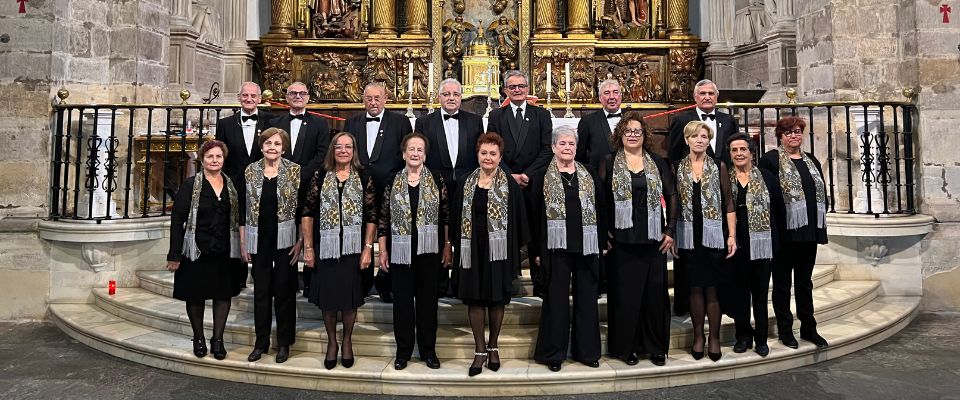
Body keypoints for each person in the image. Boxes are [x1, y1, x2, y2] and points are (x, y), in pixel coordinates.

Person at [599, 112, 676, 367]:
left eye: (637, 131)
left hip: (652, 238)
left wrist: (670, 230)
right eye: (628, 131)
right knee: (625, 297)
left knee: (654, 296)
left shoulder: (656, 161)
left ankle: (654, 346)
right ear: (620, 135)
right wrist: (603, 232)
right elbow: (599, 199)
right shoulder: (608, 162)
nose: (633, 135)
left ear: (645, 135)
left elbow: (672, 195)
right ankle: (627, 347)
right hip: (621, 240)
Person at [452, 133, 530, 376]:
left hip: (500, 250)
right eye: (484, 153)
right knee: (475, 298)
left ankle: (494, 346)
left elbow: (519, 220)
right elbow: (455, 217)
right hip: (471, 248)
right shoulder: (465, 182)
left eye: (492, 153)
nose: (488, 157)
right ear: (477, 155)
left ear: (500, 157)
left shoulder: (509, 184)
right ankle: (479, 350)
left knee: (496, 298)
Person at [301, 132, 379, 369]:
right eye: (339, 146)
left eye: (348, 146)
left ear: (354, 150)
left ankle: (347, 340)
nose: (343, 150)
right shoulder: (320, 175)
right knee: (328, 298)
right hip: (325, 246)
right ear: (332, 150)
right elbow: (307, 213)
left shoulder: (364, 176)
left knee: (349, 298)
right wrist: (308, 248)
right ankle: (332, 342)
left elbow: (372, 215)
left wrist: (368, 248)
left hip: (353, 248)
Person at [530, 126, 605, 372]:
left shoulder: (589, 173)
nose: (567, 148)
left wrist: (602, 241)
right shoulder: (542, 175)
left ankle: (587, 352)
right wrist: (537, 251)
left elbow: (601, 209)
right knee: (556, 302)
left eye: (571, 144)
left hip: (586, 246)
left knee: (586, 300)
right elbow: (535, 215)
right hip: (555, 248)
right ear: (553, 147)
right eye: (562, 144)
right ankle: (554, 353)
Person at [378, 133, 451, 371]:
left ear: (425, 155)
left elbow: (446, 216)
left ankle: (428, 350)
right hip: (400, 250)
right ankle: (403, 351)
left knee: (428, 303)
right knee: (402, 303)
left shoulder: (437, 179)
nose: (415, 153)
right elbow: (383, 219)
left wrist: (448, 244)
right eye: (411, 149)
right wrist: (382, 249)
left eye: (420, 149)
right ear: (403, 153)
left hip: (429, 250)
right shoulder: (392, 181)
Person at [167, 140, 243, 361]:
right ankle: (198, 337)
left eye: (218, 156)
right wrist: (174, 254)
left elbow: (237, 219)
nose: (215, 160)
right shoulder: (190, 186)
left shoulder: (231, 186)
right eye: (210, 157)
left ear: (223, 159)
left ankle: (217, 339)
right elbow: (177, 220)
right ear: (202, 159)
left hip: (224, 249)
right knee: (196, 295)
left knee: (223, 295)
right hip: (196, 250)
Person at [758, 116, 830, 349]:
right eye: (788, 132)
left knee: (804, 283)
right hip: (784, 233)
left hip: (808, 232)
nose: (794, 135)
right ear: (780, 135)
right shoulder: (770, 160)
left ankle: (809, 328)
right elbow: (765, 197)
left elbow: (821, 193)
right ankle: (785, 330)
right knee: (781, 284)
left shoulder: (811, 160)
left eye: (798, 131)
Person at [344, 82, 413, 303]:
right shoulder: (352, 122)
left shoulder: (400, 122)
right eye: (369, 98)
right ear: (363, 99)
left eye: (377, 98)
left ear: (386, 99)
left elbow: (407, 153)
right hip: (359, 189)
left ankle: (387, 283)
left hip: (391, 188)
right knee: (359, 233)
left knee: (391, 236)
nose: (373, 103)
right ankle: (360, 283)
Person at [415, 78, 484, 297]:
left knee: (465, 233)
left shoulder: (475, 121)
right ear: (439, 97)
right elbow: (421, 156)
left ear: (461, 97)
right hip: (436, 186)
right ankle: (440, 283)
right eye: (446, 94)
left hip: (467, 185)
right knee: (438, 235)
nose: (451, 98)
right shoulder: (424, 122)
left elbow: (478, 154)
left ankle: (463, 283)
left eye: (455, 94)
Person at [487, 70, 553, 297]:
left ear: (527, 89)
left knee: (536, 233)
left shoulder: (541, 115)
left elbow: (547, 149)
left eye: (521, 86)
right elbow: (492, 149)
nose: (517, 90)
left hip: (533, 184)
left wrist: (528, 174)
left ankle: (540, 283)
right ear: (505, 90)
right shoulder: (497, 116)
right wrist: (510, 175)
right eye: (512, 86)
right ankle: (506, 282)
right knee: (506, 233)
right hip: (506, 184)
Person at [674, 120, 736, 362]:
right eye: (695, 136)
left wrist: (731, 235)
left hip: (714, 234)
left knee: (712, 288)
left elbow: (728, 202)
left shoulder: (719, 166)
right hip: (688, 234)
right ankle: (699, 336)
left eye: (704, 136)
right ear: (687, 139)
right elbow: (674, 203)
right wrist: (674, 234)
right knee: (695, 287)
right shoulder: (677, 167)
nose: (700, 140)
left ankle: (715, 338)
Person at [240, 127, 303, 364]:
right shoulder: (251, 171)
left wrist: (300, 241)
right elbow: (244, 210)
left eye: (277, 144)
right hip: (260, 239)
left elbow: (301, 211)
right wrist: (245, 243)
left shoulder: (294, 171)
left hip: (286, 240)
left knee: (285, 291)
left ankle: (284, 343)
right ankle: (261, 342)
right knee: (262, 292)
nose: (272, 147)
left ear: (283, 148)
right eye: (268, 143)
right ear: (262, 146)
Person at [267, 82, 330, 297]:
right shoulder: (275, 122)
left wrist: (297, 175)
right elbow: (270, 151)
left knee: (310, 233)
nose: (297, 96)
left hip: (309, 186)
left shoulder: (320, 124)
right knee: (286, 235)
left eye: (302, 93)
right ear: (286, 97)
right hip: (280, 188)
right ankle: (288, 282)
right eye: (293, 93)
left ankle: (312, 283)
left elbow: (322, 155)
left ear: (308, 97)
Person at [725, 133, 781, 357]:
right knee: (739, 295)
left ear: (751, 152)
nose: (739, 154)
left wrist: (775, 242)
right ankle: (743, 336)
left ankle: (761, 339)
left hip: (762, 245)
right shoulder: (725, 179)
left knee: (759, 295)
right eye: (734, 150)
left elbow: (778, 210)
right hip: (735, 245)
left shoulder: (767, 177)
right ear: (730, 154)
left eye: (743, 149)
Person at [216, 81, 272, 288]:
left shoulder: (270, 121)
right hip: (234, 184)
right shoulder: (225, 124)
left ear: (259, 98)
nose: (249, 99)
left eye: (253, 96)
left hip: (263, 183)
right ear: (239, 98)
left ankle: (260, 275)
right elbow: (221, 155)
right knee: (234, 228)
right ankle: (236, 276)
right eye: (245, 95)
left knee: (260, 228)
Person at [667, 79, 740, 166]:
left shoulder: (729, 120)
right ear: (695, 96)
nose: (707, 97)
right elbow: (674, 153)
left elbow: (735, 148)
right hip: (693, 175)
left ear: (717, 96)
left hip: (724, 175)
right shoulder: (681, 121)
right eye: (702, 93)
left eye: (711, 93)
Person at [576, 79, 623, 170]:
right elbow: (580, 155)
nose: (611, 97)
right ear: (600, 98)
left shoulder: (632, 119)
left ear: (621, 96)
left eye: (615, 92)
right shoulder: (587, 121)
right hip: (599, 176)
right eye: (607, 93)